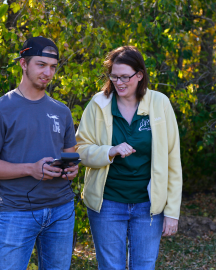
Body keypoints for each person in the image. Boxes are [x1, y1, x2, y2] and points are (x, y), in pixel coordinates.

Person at [75, 46, 182, 269]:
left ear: (140, 75)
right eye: (114, 76)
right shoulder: (98, 104)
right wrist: (109, 151)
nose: (119, 82)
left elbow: (172, 160)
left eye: (125, 77)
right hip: (108, 203)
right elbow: (80, 150)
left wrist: (172, 212)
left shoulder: (159, 104)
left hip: (148, 206)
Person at [0, 36, 79, 270]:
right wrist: (31, 169)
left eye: (53, 67)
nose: (48, 72)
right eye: (41, 65)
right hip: (17, 212)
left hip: (61, 211)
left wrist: (70, 170)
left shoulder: (61, 111)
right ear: (24, 63)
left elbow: (70, 157)